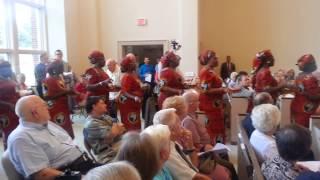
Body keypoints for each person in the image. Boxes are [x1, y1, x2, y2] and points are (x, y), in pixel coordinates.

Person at [8, 95, 97, 179]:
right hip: (67, 174)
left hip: (84, 164)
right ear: (35, 112)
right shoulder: (21, 138)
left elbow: (69, 144)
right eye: (44, 105)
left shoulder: (46, 123)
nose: (48, 108)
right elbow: (42, 175)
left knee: (110, 169)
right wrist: (78, 177)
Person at [153, 108, 230, 180]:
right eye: (178, 122)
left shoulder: (173, 142)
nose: (181, 125)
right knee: (225, 173)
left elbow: (194, 165)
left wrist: (190, 146)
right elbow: (193, 177)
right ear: (171, 130)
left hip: (194, 172)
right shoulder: (167, 152)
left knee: (226, 169)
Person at [182, 90, 238, 180]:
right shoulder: (188, 120)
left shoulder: (193, 114)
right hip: (202, 153)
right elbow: (195, 144)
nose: (199, 103)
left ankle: (224, 169)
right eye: (197, 101)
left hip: (206, 147)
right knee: (229, 165)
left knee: (224, 154)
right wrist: (206, 147)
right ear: (191, 103)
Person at [198, 50, 230, 143]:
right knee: (212, 129)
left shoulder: (211, 71)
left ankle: (219, 149)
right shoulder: (206, 72)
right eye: (215, 58)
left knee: (218, 128)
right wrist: (222, 90)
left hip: (215, 105)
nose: (217, 59)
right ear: (209, 60)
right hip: (209, 106)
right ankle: (214, 150)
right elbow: (205, 90)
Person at [83, 96, 126, 164]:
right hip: (107, 155)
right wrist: (115, 129)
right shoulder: (91, 123)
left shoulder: (104, 116)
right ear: (94, 106)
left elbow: (122, 128)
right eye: (102, 103)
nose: (105, 105)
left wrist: (114, 131)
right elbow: (113, 133)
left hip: (117, 146)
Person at [43, 61, 75, 138]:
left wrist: (70, 92)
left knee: (66, 128)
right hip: (55, 108)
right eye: (60, 67)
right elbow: (46, 97)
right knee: (59, 129)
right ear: (54, 69)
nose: (62, 69)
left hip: (63, 107)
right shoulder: (47, 80)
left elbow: (63, 91)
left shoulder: (59, 78)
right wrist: (65, 92)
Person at [290, 54, 320, 127]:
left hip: (297, 105)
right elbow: (313, 96)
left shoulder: (299, 76)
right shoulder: (310, 78)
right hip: (307, 110)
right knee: (306, 131)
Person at [118, 55, 144, 131]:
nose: (135, 64)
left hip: (133, 103)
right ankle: (131, 138)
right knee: (131, 123)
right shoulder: (127, 76)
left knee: (135, 121)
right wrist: (134, 97)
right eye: (133, 63)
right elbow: (125, 91)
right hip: (128, 103)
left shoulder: (133, 75)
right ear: (129, 66)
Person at [0, 61, 20, 149]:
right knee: (8, 134)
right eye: (5, 67)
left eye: (9, 66)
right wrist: (8, 105)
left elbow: (17, 94)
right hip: (5, 113)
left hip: (16, 112)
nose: (8, 69)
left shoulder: (12, 79)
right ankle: (8, 156)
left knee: (17, 134)